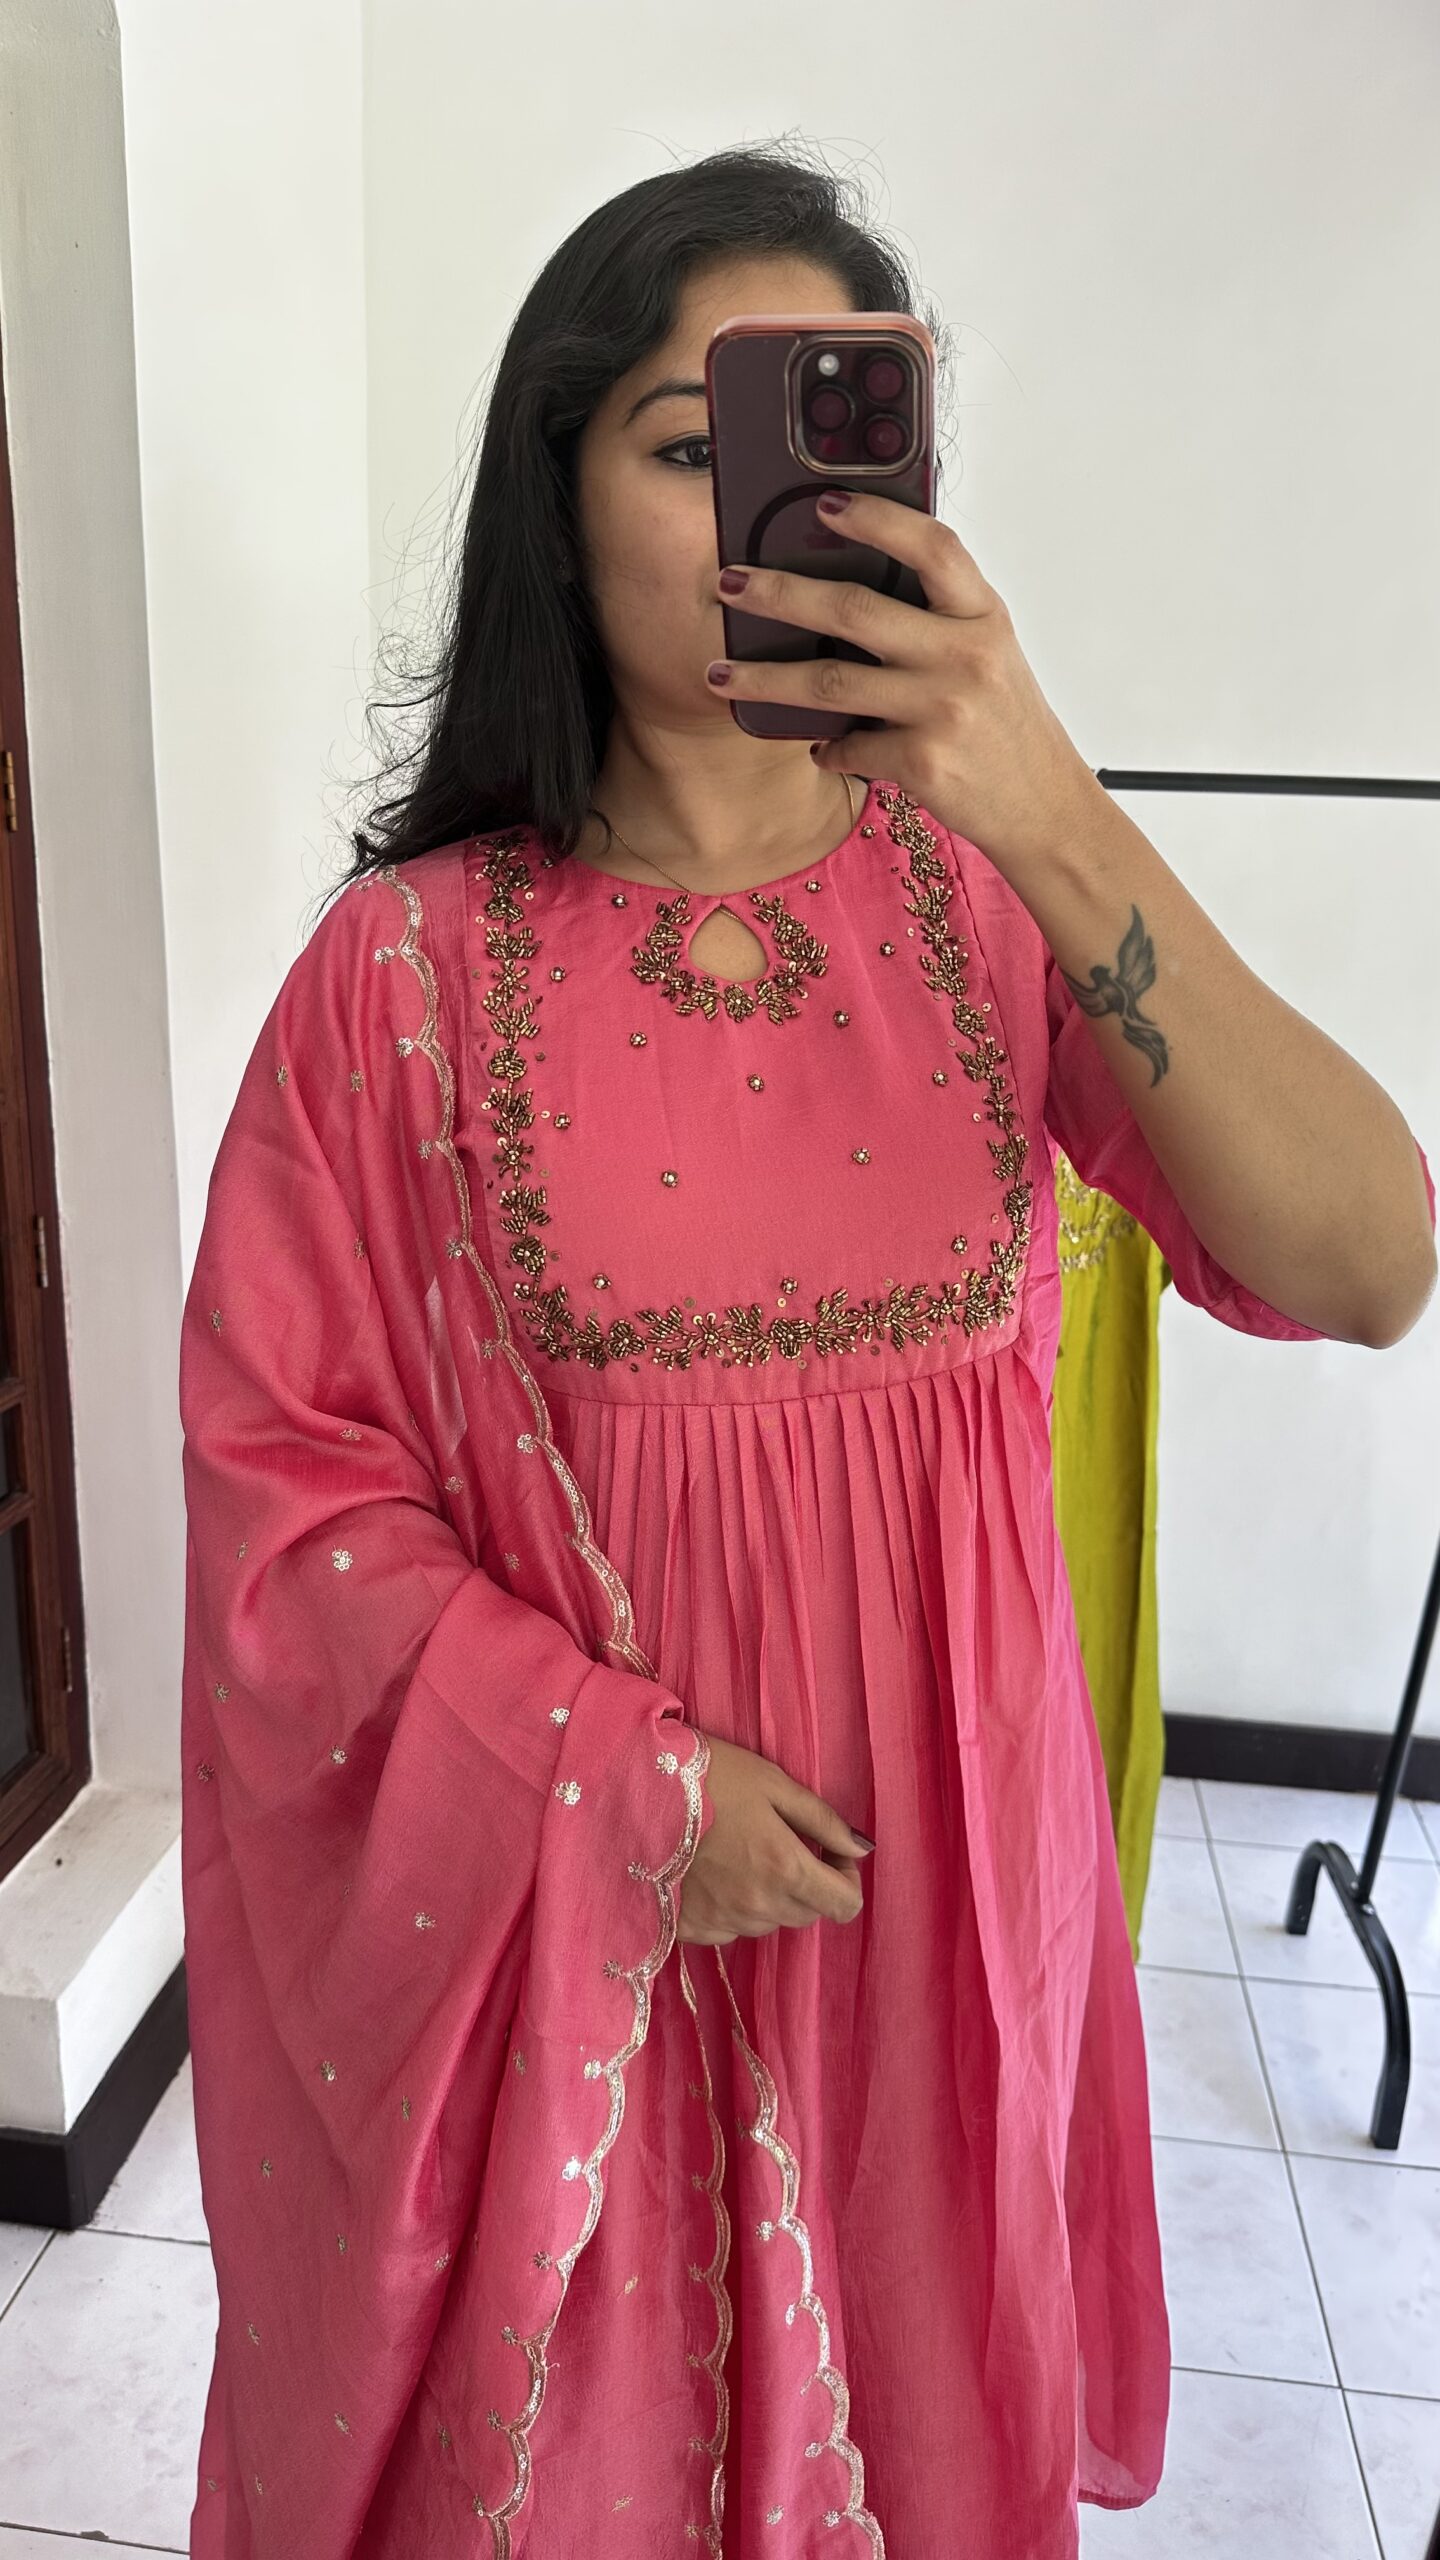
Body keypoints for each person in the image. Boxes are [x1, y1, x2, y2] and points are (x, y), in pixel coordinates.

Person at [179, 143, 1436, 2558]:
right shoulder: (398, 981)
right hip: (595, 1971)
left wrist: (1052, 808)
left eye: (845, 447)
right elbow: (286, 1519)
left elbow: (1373, 1261)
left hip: (944, 1947)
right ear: (556, 490)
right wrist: (619, 1797)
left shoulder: (990, 912)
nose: (775, 519)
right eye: (694, 444)